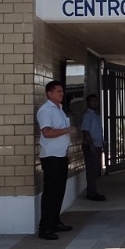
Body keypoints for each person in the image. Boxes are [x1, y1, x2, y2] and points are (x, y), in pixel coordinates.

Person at [37, 80, 77, 240]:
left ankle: (55, 221)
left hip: (60, 156)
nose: (61, 93)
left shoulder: (59, 109)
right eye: (58, 91)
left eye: (62, 91)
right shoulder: (46, 110)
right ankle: (45, 227)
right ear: (49, 93)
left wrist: (66, 152)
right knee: (51, 192)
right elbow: (47, 132)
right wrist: (67, 130)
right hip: (51, 156)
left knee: (59, 191)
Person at [80, 95, 107, 201]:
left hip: (98, 145)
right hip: (91, 146)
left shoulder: (96, 114)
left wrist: (103, 143)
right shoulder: (87, 115)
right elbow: (85, 131)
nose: (95, 103)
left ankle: (93, 190)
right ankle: (91, 193)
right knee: (91, 170)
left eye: (96, 101)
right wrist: (91, 144)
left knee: (95, 170)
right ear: (88, 103)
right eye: (92, 102)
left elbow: (98, 130)